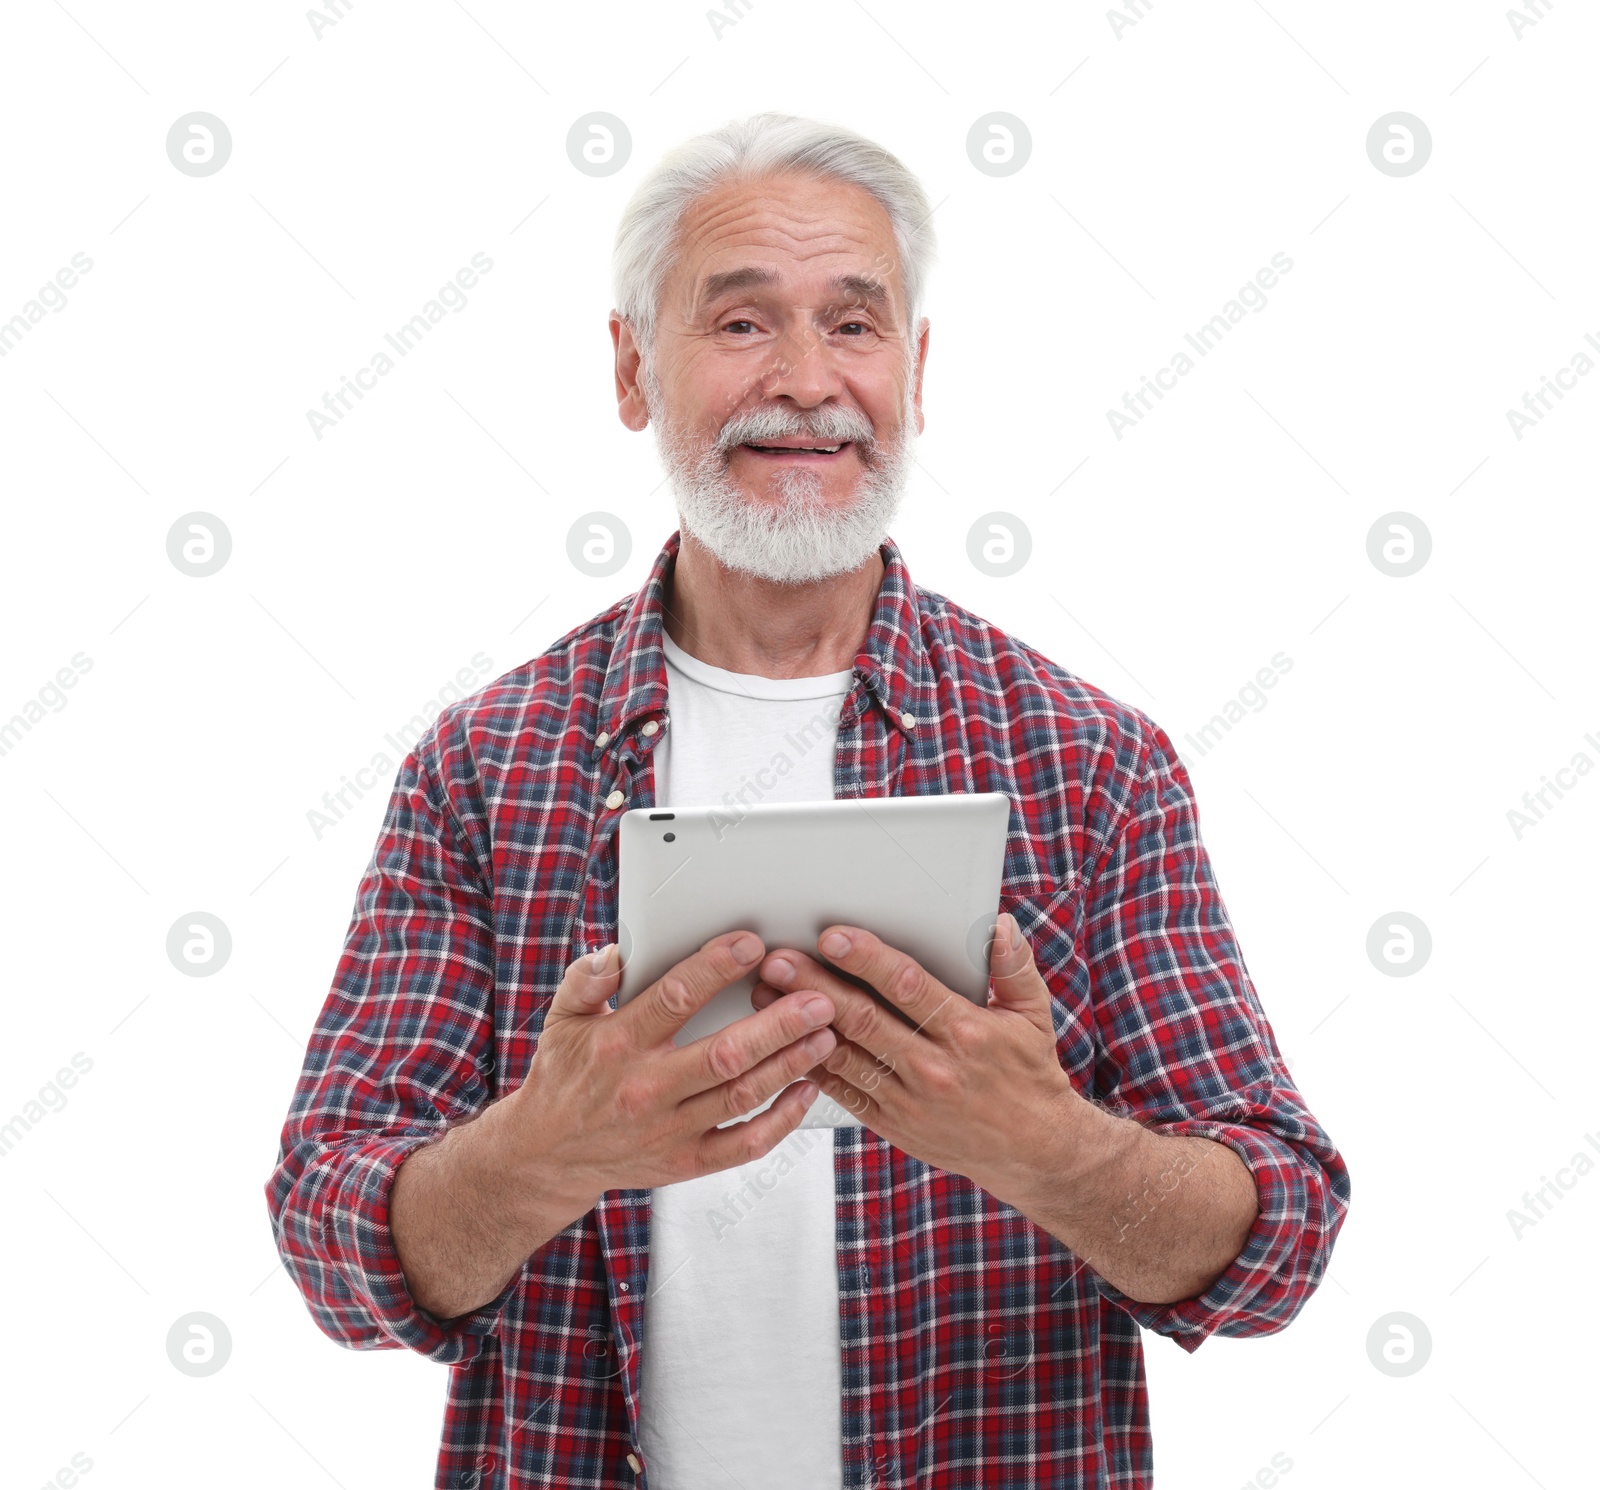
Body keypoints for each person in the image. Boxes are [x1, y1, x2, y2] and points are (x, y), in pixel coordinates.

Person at [265, 111, 1350, 1489]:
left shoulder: (1092, 764)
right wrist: (546, 1152)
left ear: (915, 367)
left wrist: (1050, 1148)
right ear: (630, 366)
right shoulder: (486, 770)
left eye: (853, 323)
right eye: (739, 325)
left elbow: (1283, 1240)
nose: (805, 382)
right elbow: (329, 1234)